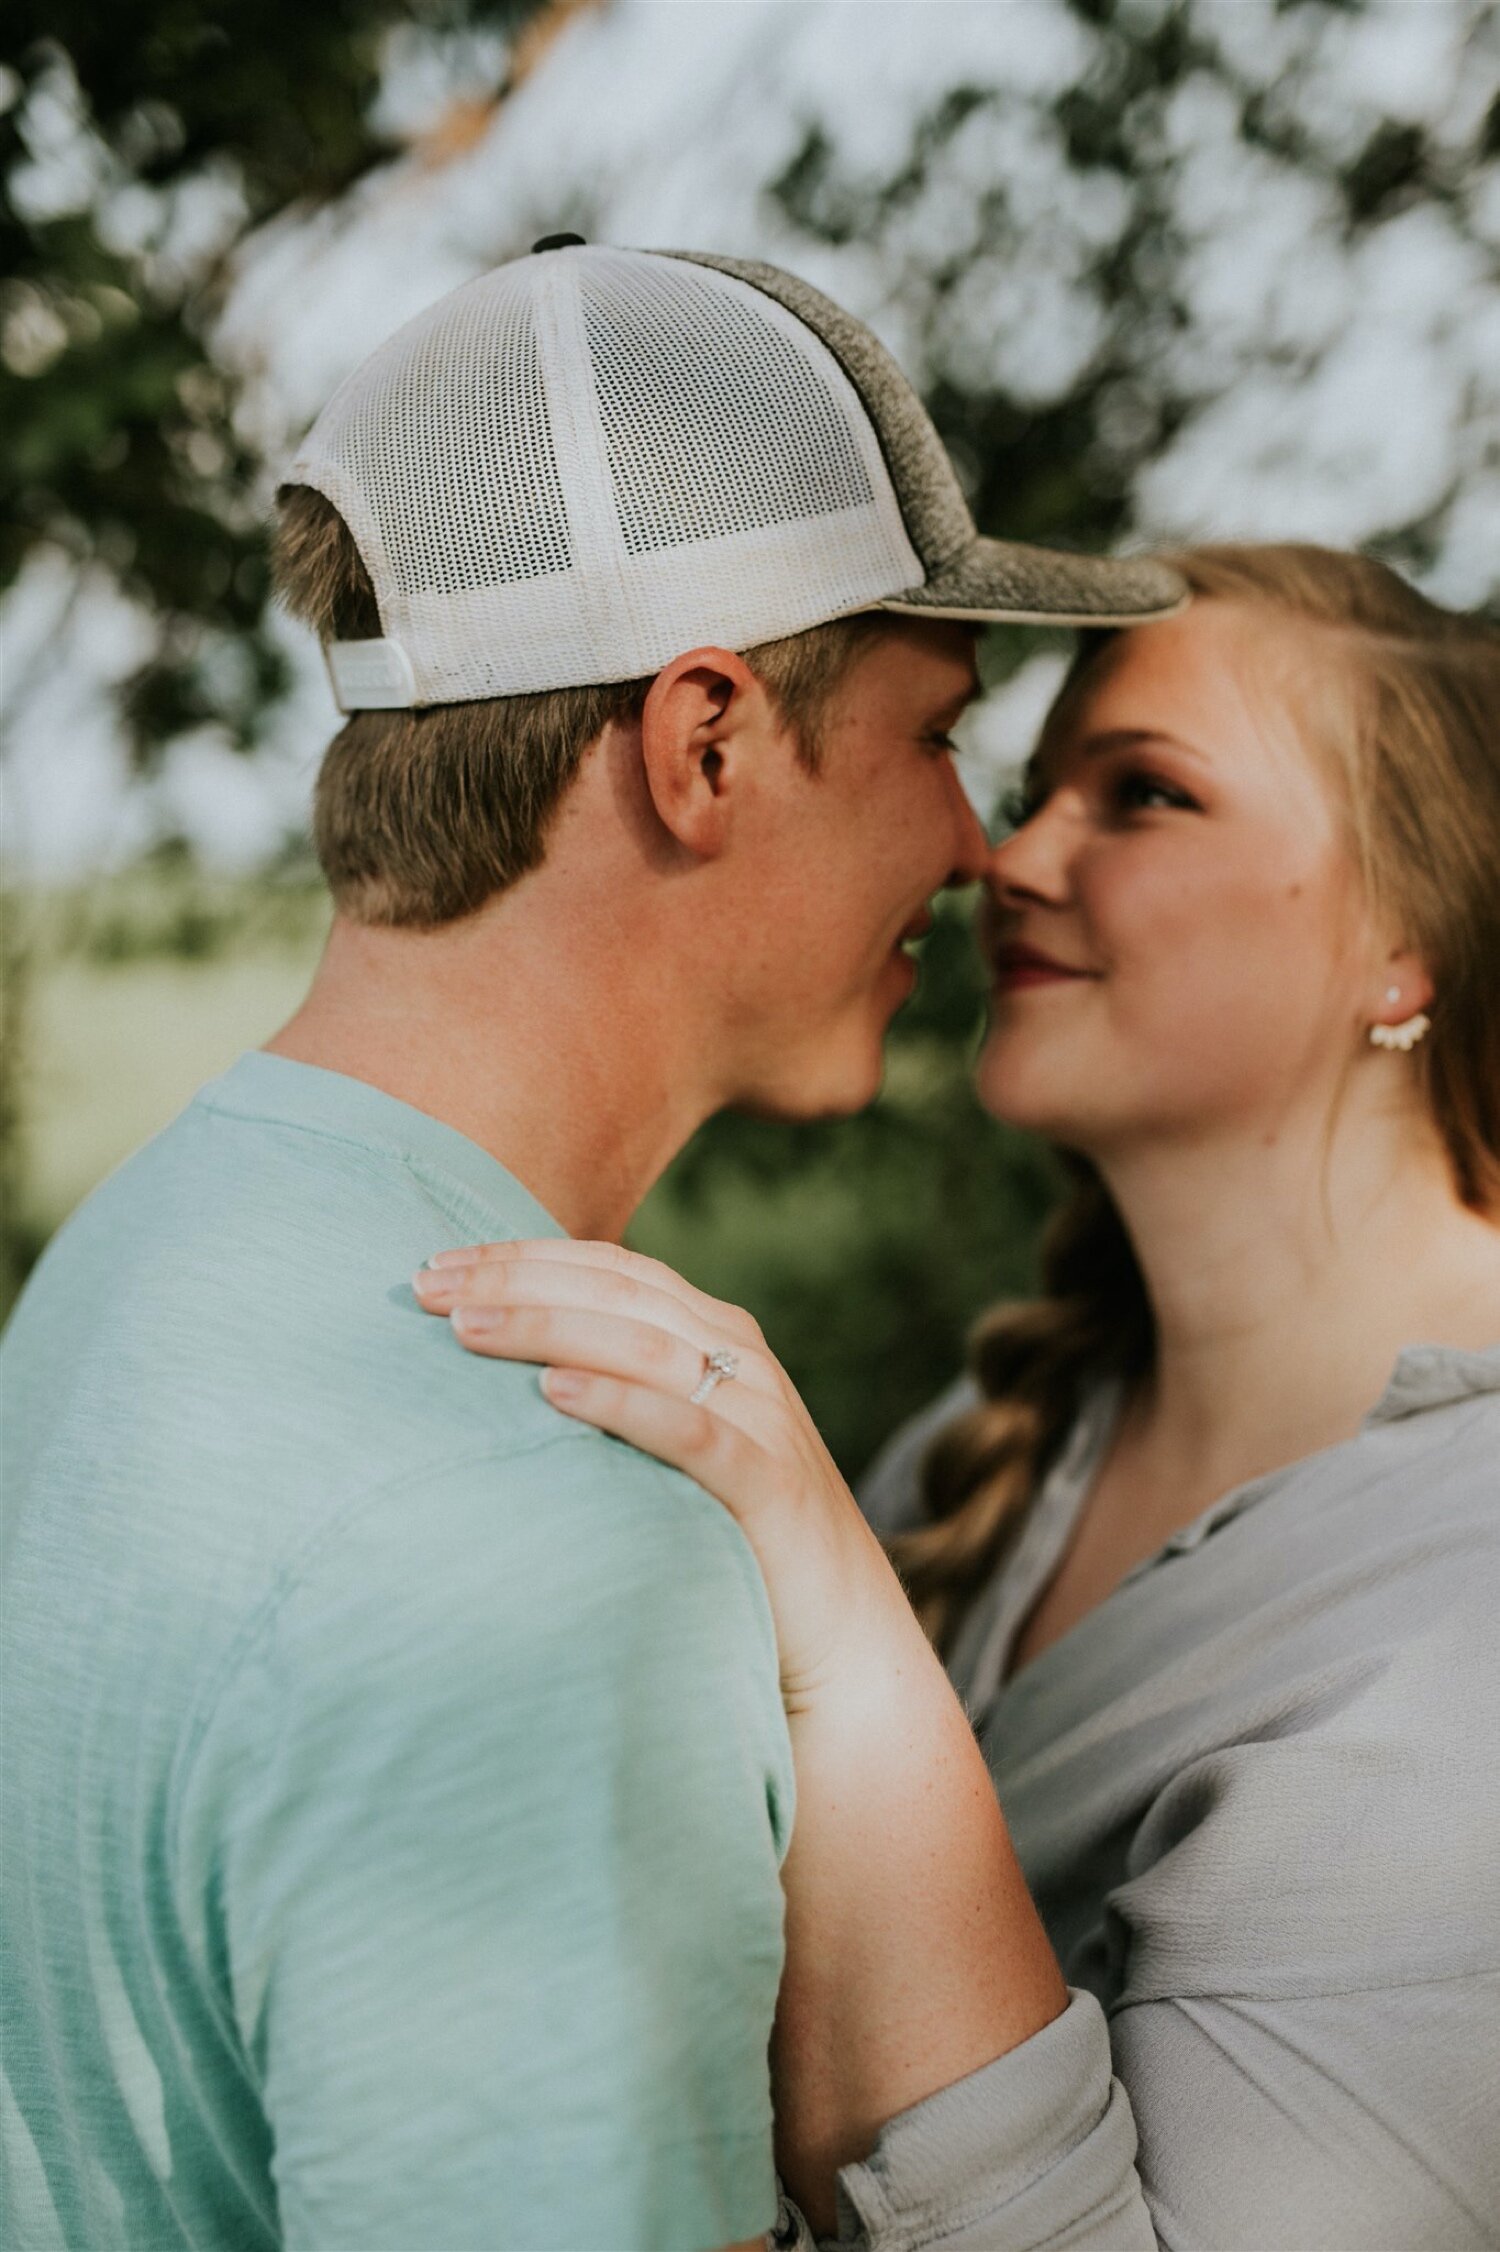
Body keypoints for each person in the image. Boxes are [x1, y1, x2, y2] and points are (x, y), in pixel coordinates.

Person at [0, 240, 1184, 2252]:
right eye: (936, 736)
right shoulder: (534, 1539)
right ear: (704, 742)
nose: (978, 846)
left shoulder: (141, 1263)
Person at [423, 544, 1500, 2248]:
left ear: (1406, 943)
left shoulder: (1470, 1610)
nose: (1012, 858)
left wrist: (844, 1641)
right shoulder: (994, 1448)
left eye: (1143, 796)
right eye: (1035, 784)